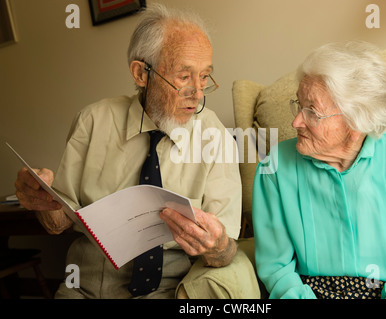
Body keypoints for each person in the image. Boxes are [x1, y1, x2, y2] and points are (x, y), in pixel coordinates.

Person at [14, 3, 259, 299]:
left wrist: (217, 246)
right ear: (141, 73)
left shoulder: (215, 137)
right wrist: (42, 199)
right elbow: (58, 223)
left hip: (169, 289)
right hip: (85, 286)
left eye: (205, 77)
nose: (198, 93)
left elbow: (226, 251)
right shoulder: (93, 121)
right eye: (184, 77)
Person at [252, 41, 386, 299]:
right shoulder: (275, 167)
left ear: (357, 119)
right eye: (299, 105)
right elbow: (276, 268)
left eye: (311, 111)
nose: (296, 121)